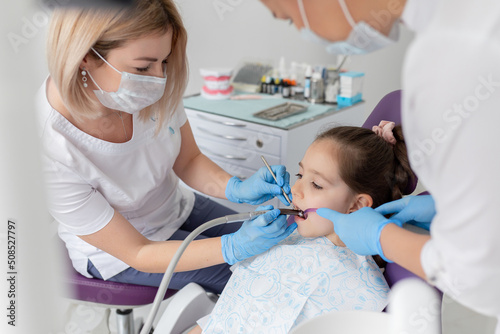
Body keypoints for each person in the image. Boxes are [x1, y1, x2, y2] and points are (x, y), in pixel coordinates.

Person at [260, 0, 500, 328]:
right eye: (301, 174)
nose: (304, 30)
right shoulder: (464, 31)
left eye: (291, 17)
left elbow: (477, 274)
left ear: (358, 205)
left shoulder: (455, 60)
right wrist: (441, 206)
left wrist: (381, 238)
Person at [37, 0, 296, 294]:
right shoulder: (51, 147)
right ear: (85, 57)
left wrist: (236, 187)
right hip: (125, 252)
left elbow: (188, 161)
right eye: (143, 66)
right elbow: (139, 252)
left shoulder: (148, 89)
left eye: (164, 62)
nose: (159, 78)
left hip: (178, 207)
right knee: (264, 282)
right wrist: (232, 247)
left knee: (285, 255)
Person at [189, 122, 414, 333]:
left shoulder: (359, 286)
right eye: (300, 174)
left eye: (316, 184)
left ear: (357, 205)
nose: (295, 188)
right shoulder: (285, 240)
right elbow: (229, 310)